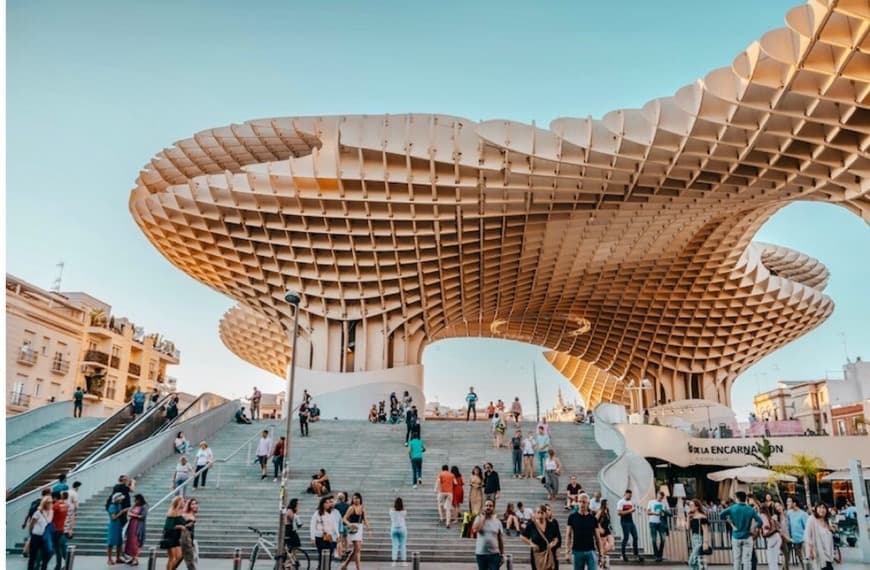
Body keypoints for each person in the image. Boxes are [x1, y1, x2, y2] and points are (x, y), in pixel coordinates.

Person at [721, 491, 763, 570]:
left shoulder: (733, 507)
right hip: (747, 536)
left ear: (737, 498)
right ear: (745, 498)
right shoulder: (750, 509)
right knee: (747, 560)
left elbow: (721, 515)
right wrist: (753, 527)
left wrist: (731, 523)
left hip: (736, 536)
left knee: (737, 559)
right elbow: (760, 522)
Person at [565, 493, 602, 570]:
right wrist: (567, 552)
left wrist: (601, 555)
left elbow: (598, 538)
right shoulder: (572, 517)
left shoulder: (593, 519)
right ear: (577, 502)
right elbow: (568, 535)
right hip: (577, 551)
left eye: (584, 502)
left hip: (591, 551)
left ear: (588, 504)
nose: (582, 504)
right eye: (580, 501)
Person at [472, 499, 504, 570]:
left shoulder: (497, 522)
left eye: (490, 506)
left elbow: (500, 540)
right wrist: (483, 518)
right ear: (483, 507)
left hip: (494, 555)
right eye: (486, 505)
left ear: (493, 508)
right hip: (481, 554)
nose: (488, 507)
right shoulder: (478, 518)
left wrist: (502, 554)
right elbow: (475, 530)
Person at [340, 493, 370, 570]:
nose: (356, 500)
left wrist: (368, 528)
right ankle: (358, 568)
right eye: (354, 498)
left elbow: (365, 519)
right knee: (358, 548)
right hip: (353, 528)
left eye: (357, 498)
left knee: (356, 550)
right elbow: (344, 518)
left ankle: (345, 565)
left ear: (360, 499)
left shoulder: (362, 508)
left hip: (360, 528)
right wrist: (350, 525)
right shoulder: (351, 508)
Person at [310, 496, 342, 564]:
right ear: (322, 504)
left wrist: (338, 535)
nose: (328, 504)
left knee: (329, 555)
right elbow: (313, 526)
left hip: (328, 537)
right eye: (326, 503)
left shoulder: (331, 513)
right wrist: (312, 538)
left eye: (329, 503)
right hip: (319, 537)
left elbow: (334, 525)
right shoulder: (317, 513)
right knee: (321, 555)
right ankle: (320, 567)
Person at [804, 503, 834, 570]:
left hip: (828, 554)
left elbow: (829, 534)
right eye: (819, 507)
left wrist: (832, 529)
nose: (822, 510)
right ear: (816, 509)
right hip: (817, 553)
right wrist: (811, 551)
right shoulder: (811, 519)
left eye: (824, 508)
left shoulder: (827, 521)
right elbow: (807, 536)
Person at [28, 495, 54, 570]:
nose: (50, 504)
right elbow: (31, 524)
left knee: (46, 554)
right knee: (33, 555)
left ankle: (43, 568)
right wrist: (31, 534)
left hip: (45, 536)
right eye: (48, 502)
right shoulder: (38, 512)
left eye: (51, 502)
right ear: (44, 503)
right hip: (36, 535)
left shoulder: (51, 512)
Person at [162, 496, 188, 570]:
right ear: (179, 502)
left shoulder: (179, 511)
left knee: (179, 556)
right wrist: (180, 526)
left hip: (177, 537)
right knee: (172, 558)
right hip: (170, 537)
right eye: (183, 501)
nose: (184, 502)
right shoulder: (172, 512)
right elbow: (168, 527)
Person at [124, 494, 148, 566]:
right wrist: (129, 514)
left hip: (138, 526)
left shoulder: (144, 507)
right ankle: (132, 558)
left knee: (136, 542)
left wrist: (133, 515)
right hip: (131, 525)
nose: (134, 501)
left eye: (136, 500)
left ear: (140, 500)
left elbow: (143, 516)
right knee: (130, 542)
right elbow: (129, 512)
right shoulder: (135, 506)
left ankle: (135, 558)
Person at [785, 496, 808, 569]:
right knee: (792, 556)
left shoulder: (803, 514)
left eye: (789, 501)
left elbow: (807, 527)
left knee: (803, 557)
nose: (787, 503)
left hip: (802, 539)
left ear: (794, 503)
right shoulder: (788, 513)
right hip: (792, 539)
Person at [616, 489, 640, 562]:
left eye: (631, 496)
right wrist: (630, 511)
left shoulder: (630, 502)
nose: (630, 497)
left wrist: (632, 511)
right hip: (624, 522)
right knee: (626, 538)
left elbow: (631, 510)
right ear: (625, 494)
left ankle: (636, 554)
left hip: (631, 522)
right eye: (629, 495)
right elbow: (619, 513)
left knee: (635, 537)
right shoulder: (621, 502)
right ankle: (623, 554)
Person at [646, 490, 670, 562]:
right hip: (652, 523)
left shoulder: (664, 503)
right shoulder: (651, 502)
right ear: (657, 495)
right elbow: (648, 512)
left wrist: (664, 513)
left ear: (663, 498)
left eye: (661, 497)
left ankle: (660, 555)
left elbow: (668, 513)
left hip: (661, 523)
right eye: (659, 496)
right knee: (654, 540)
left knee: (663, 539)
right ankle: (657, 555)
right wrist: (655, 513)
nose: (660, 498)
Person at [688, 499, 710, 570]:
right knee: (697, 561)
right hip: (694, 539)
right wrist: (688, 517)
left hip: (700, 539)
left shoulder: (702, 517)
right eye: (689, 505)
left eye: (691, 505)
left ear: (697, 507)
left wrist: (705, 543)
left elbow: (705, 530)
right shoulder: (692, 516)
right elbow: (688, 527)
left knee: (691, 561)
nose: (690, 507)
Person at [51, 491, 70, 570]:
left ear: (55, 498)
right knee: (61, 547)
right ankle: (64, 564)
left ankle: (58, 565)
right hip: (61, 528)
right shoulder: (65, 505)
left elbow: (50, 517)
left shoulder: (55, 506)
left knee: (57, 548)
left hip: (54, 529)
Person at [760, 502, 782, 570]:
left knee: (771, 560)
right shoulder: (770, 517)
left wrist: (763, 533)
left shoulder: (763, 516)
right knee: (774, 559)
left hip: (772, 538)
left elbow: (767, 532)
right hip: (777, 537)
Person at [107, 492, 128, 565]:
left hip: (118, 525)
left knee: (119, 542)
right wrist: (121, 512)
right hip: (113, 526)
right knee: (111, 542)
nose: (121, 500)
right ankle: (109, 559)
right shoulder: (112, 506)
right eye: (120, 499)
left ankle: (118, 557)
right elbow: (113, 517)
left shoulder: (119, 505)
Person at [180, 498, 199, 569]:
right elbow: (179, 524)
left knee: (185, 561)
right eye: (192, 504)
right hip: (185, 540)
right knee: (190, 562)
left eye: (196, 504)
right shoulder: (186, 515)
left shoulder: (191, 514)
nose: (195, 505)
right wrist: (186, 526)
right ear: (189, 505)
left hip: (189, 540)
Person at [390, 497, 408, 566]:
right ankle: (404, 562)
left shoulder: (391, 511)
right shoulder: (404, 511)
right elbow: (404, 516)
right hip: (402, 529)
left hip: (394, 528)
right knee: (403, 545)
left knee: (395, 546)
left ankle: (394, 562)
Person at [597, 498, 615, 565]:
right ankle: (601, 558)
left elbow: (608, 521)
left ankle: (601, 556)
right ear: (604, 504)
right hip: (602, 531)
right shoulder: (600, 511)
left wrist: (611, 527)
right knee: (603, 545)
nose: (608, 505)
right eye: (607, 504)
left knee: (612, 545)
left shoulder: (607, 511)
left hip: (607, 530)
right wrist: (599, 528)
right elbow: (596, 520)